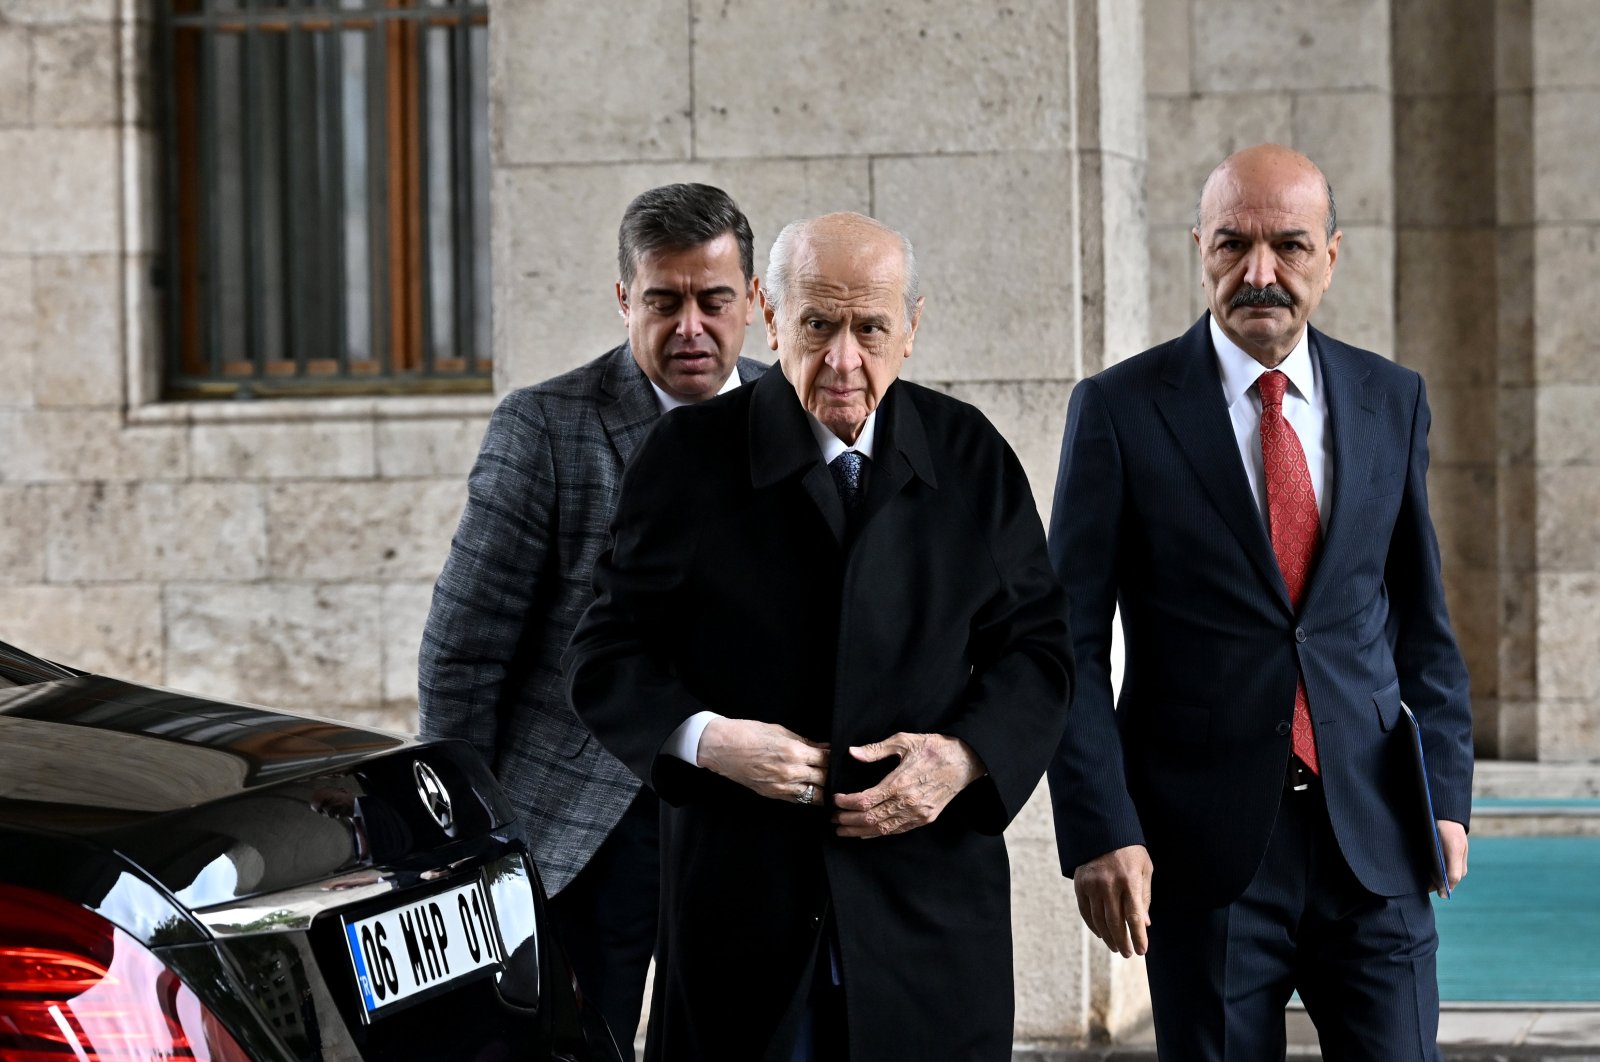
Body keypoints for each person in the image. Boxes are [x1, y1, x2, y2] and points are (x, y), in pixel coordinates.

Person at [565, 211, 1073, 1061]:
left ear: (911, 328)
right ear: (770, 314)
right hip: (744, 904)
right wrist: (709, 741)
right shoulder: (687, 456)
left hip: (926, 905)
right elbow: (606, 655)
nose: (843, 360)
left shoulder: (969, 453)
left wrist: (965, 757)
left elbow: (1040, 651)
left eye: (870, 328)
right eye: (817, 325)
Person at [1047, 143, 1474, 1060]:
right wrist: (1100, 829)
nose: (1260, 273)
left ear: (1332, 252)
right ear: (1198, 244)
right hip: (1203, 856)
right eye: (1232, 244)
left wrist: (1447, 796)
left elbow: (1423, 625)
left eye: (1289, 245)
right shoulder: (1119, 411)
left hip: (1377, 841)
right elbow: (1067, 646)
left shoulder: (1390, 400)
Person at [417, 183, 767, 1058]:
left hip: (742, 816)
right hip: (586, 821)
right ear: (625, 301)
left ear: (754, 303)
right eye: (664, 301)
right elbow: (462, 654)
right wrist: (468, 841)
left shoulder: (790, 416)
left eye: (713, 300)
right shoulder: (545, 428)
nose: (690, 326)